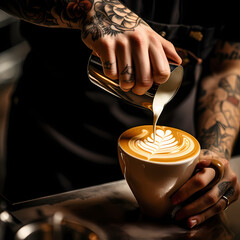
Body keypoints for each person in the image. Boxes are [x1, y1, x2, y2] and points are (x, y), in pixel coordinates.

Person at [0, 0, 239, 229]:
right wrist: (91, 9)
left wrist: (216, 153)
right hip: (56, 147)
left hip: (174, 167)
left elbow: (226, 67)